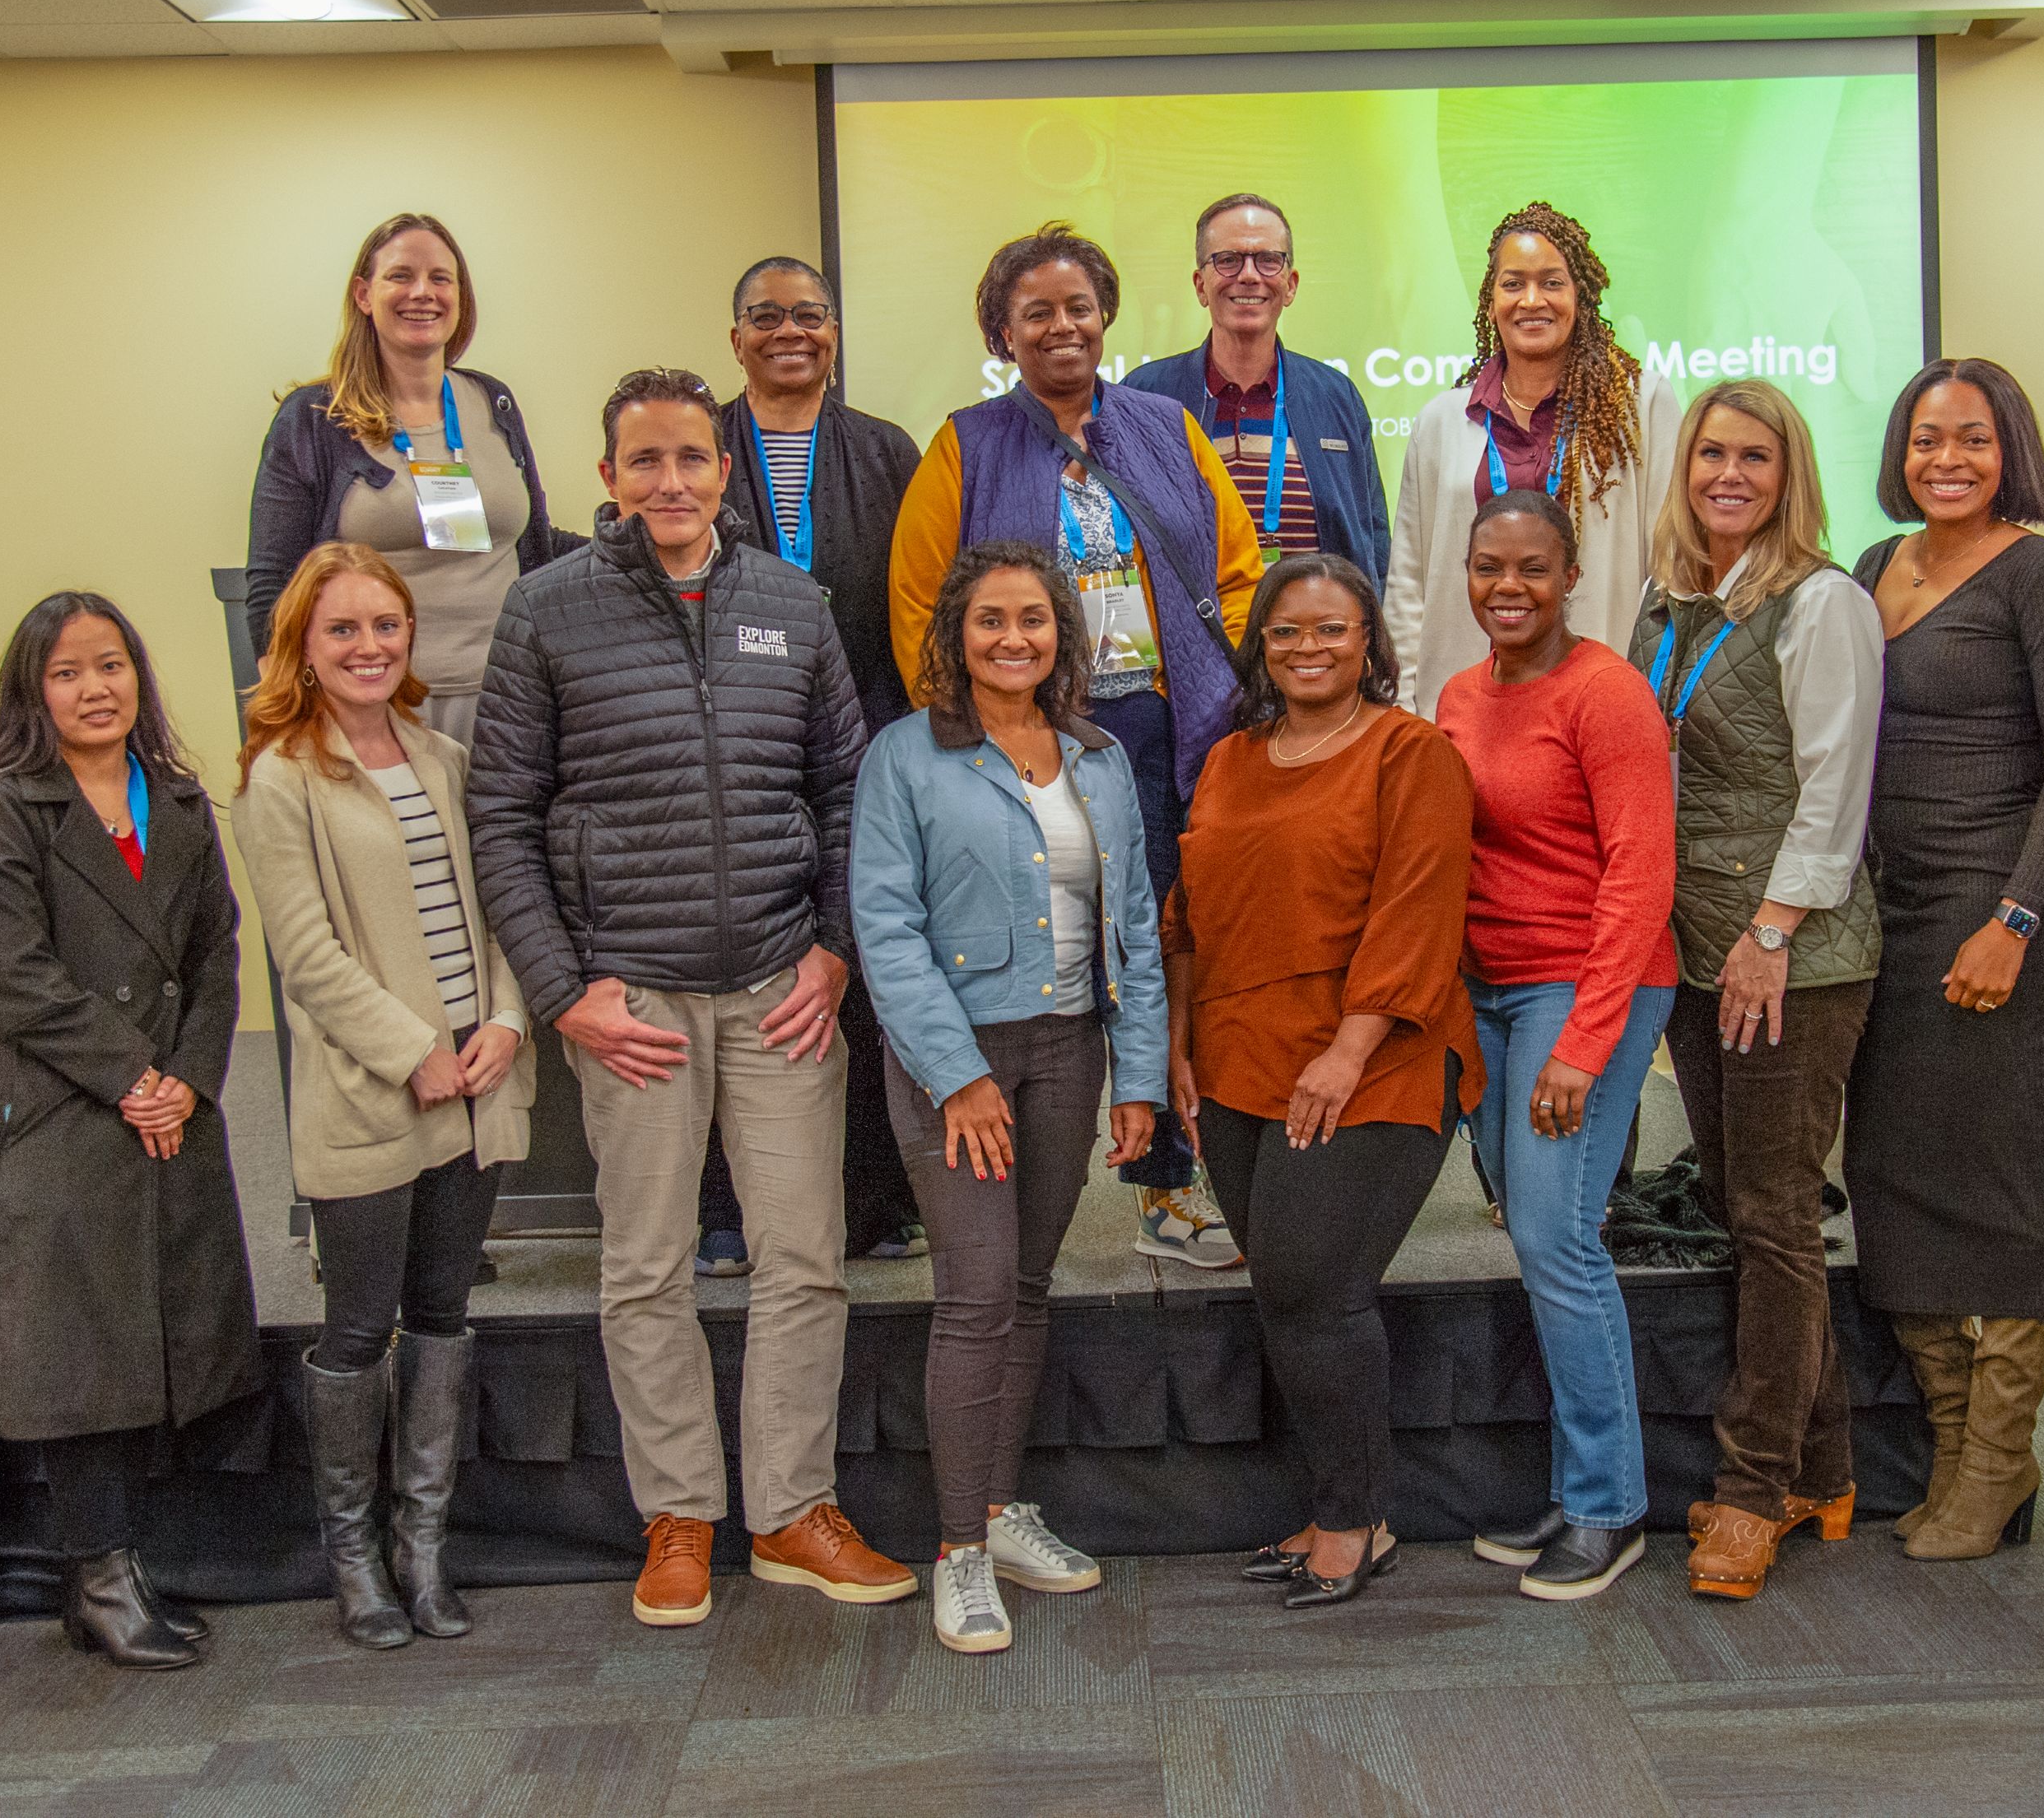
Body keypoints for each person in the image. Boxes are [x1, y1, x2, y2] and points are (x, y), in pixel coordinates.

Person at [468, 365, 912, 1630]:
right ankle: (677, 1513)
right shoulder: (547, 611)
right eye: (643, 461)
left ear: (723, 469)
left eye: (691, 460)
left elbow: (845, 791)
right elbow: (499, 814)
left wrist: (832, 952)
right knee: (648, 1267)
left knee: (802, 1262)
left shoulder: (791, 600)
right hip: (634, 1005)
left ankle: (790, 1509)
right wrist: (562, 991)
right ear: (607, 475)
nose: (670, 481)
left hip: (782, 986)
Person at [889, 221, 1265, 1271]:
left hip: (1161, 729)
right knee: (1061, 957)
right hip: (1029, 747)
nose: (1061, 326)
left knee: (1162, 952)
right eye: (1035, 312)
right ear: (1001, 333)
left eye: (1077, 307)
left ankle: (1167, 1186)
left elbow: (1235, 573)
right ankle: (1022, 1180)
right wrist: (972, 741)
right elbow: (922, 607)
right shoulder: (963, 444)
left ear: (1105, 317)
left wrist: (1222, 684)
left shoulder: (1166, 428)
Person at [850, 541, 1168, 1653]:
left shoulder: (1100, 754)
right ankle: (959, 1551)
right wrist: (961, 1076)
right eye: (991, 620)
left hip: (1071, 1050)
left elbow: (1133, 924)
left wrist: (1139, 1074)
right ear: (956, 634)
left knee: (1028, 1286)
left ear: (1061, 632)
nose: (1013, 638)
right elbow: (885, 931)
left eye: (1033, 619)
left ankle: (997, 1506)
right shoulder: (907, 756)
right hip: (959, 1062)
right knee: (978, 1293)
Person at [0, 592, 259, 1672]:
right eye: (70, 671)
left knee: (150, 1336)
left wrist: (188, 1077)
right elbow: (13, 977)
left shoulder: (176, 795)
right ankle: (98, 1572)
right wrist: (134, 1076)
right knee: (78, 1354)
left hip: (168, 1107)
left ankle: (119, 1570)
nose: (96, 687)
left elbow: (218, 948)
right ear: (34, 690)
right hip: (56, 1110)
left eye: (112, 664)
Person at [231, 545, 533, 1650]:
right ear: (301, 646)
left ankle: (425, 1549)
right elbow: (305, 955)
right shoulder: (280, 777)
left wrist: (505, 1017)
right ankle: (354, 1558)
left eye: (385, 626)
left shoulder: (442, 756)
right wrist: (415, 1052)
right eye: (343, 629)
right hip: (377, 1093)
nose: (368, 647)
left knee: (445, 1316)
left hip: (475, 1090)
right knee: (360, 1326)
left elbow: (502, 904)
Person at [1167, 552, 1479, 1611]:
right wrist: (1176, 1041)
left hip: (1371, 1060)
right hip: (1240, 1060)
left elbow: (1417, 909)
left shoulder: (1410, 752)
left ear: (1369, 644)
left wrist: (1346, 1051)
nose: (1307, 647)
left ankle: (1354, 1522)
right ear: (1260, 647)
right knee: (1284, 1293)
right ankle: (1338, 1508)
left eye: (1330, 629)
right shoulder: (1229, 760)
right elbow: (1192, 912)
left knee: (1313, 1286)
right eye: (1286, 631)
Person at [1621, 382, 1883, 1604]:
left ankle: (1752, 1485)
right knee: (1741, 1198)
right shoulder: (1671, 602)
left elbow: (1834, 785)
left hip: (1792, 953)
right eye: (1712, 453)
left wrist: (1775, 927)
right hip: (1697, 945)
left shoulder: (1822, 603)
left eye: (1756, 456)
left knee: (1774, 1211)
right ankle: (1825, 1461)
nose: (1730, 473)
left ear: (1790, 472)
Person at [1841, 357, 2044, 1563]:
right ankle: (1957, 1452)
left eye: (1975, 440)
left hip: (1997, 914)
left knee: (2002, 1183)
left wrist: (2017, 917)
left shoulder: (2042, 574)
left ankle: (1997, 1460)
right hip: (1884, 918)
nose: (1948, 459)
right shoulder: (1872, 565)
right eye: (1928, 438)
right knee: (1895, 1176)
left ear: (2013, 452)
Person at [1441, 489, 1679, 1604]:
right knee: (1533, 1234)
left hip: (1587, 988)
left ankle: (1606, 1506)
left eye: (1532, 568)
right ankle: (1582, 1480)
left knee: (1557, 1236)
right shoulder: (1457, 694)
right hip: (1488, 991)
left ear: (1570, 572)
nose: (1508, 588)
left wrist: (1585, 1042)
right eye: (1490, 566)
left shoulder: (1607, 693)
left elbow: (1641, 875)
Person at [707, 254, 927, 1271]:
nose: (789, 330)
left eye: (809, 314)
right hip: (730, 742)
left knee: (868, 962)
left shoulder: (884, 450)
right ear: (736, 336)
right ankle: (727, 1211)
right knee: (738, 968)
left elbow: (924, 597)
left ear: (834, 332)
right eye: (765, 315)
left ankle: (877, 1201)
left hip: (869, 735)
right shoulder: (700, 445)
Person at [245, 212, 574, 743]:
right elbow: (271, 584)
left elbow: (534, 543)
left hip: (509, 701)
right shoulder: (314, 419)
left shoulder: (494, 401)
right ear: (362, 293)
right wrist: (293, 717)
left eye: (441, 278)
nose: (423, 292)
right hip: (372, 710)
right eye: (401, 276)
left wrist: (634, 527)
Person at [1385, 202, 1679, 718]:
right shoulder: (1442, 421)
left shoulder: (1641, 405)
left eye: (1552, 282)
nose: (1532, 300)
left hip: (1599, 699)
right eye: (1513, 283)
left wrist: (1648, 689)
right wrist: (1408, 704)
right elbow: (1410, 580)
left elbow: (1670, 565)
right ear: (1491, 299)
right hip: (1463, 703)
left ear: (1580, 296)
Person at [1118, 192, 1391, 579]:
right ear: (1200, 285)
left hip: (1312, 638)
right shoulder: (1144, 396)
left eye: (1268, 260)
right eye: (1228, 260)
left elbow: (1374, 544)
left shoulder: (1336, 397)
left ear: (1291, 285)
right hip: (1194, 638)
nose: (1249, 275)